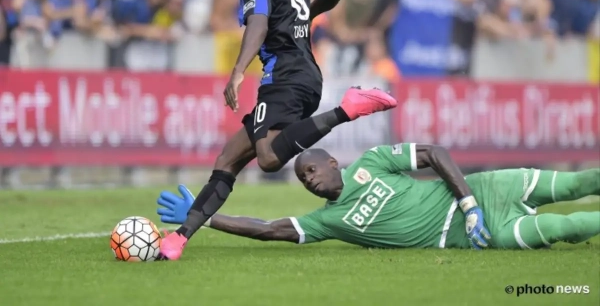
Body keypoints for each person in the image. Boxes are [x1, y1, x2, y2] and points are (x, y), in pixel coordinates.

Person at [158, 0, 398, 260]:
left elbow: (257, 24)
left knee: (269, 158)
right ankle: (180, 238)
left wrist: (238, 71)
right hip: (306, 76)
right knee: (228, 158)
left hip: (284, 78)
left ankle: (347, 109)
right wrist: (302, 19)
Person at [157, 143, 600, 251]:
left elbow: (434, 153)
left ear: (333, 162)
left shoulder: (373, 161)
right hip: (480, 236)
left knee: (579, 184)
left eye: (311, 170)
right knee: (568, 227)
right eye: (303, 180)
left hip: (487, 190)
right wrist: (202, 216)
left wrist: (468, 204)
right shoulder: (327, 221)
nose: (309, 181)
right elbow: (268, 229)